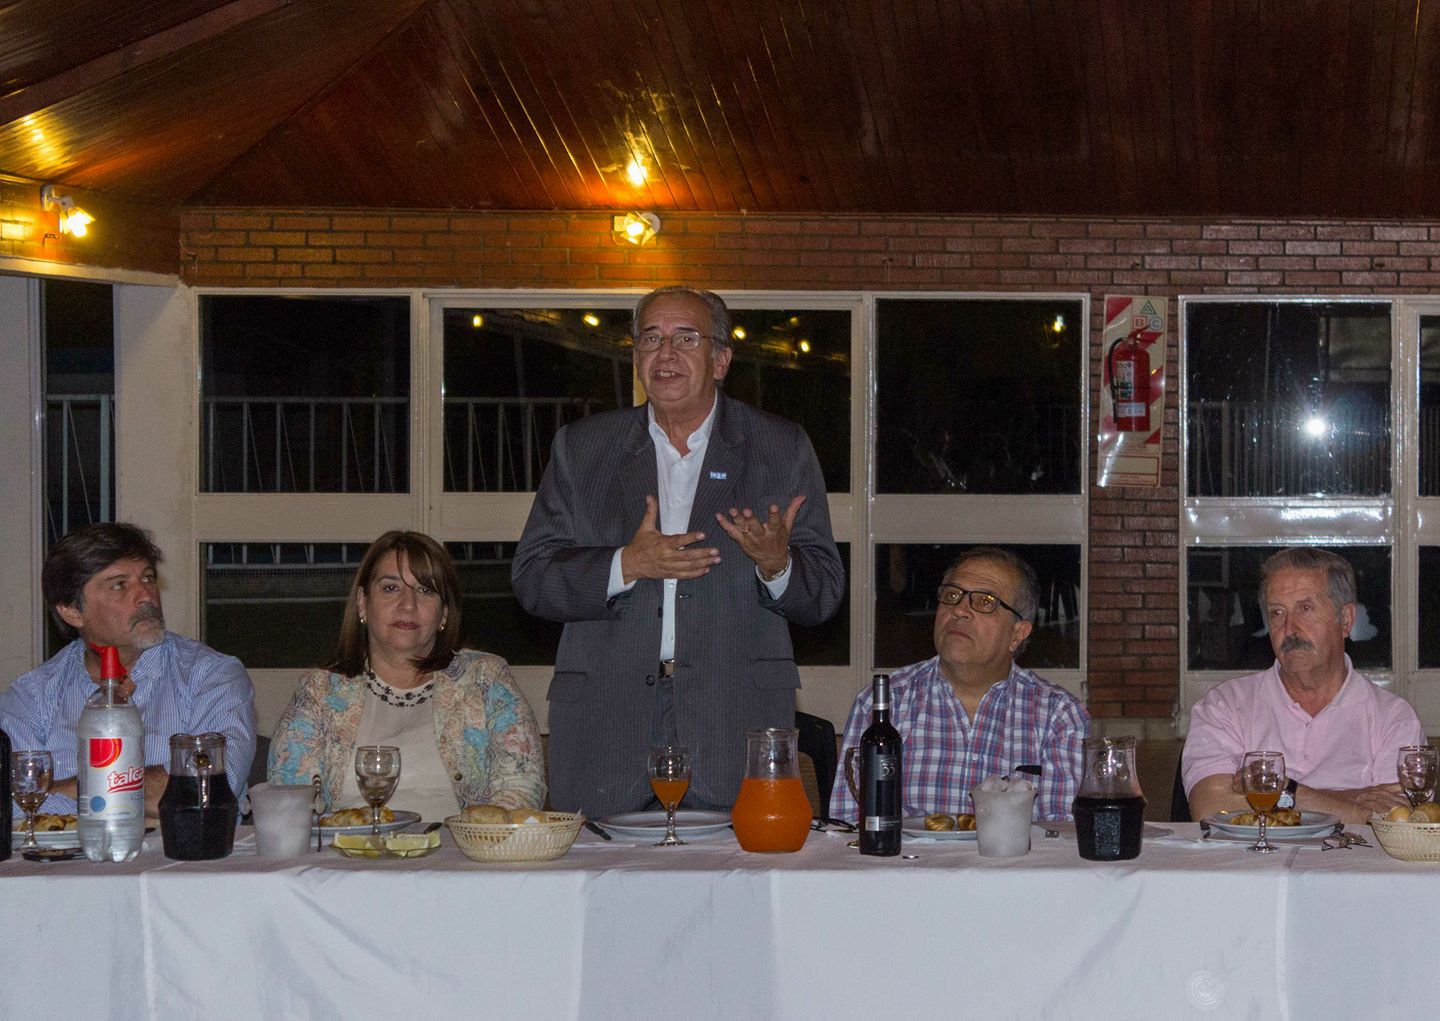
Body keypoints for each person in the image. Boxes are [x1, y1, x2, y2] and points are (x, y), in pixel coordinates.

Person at [512, 285, 845, 818]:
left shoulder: (779, 446)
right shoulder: (582, 447)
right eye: (651, 338)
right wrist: (627, 564)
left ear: (720, 360)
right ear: (637, 357)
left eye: (685, 338)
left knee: (736, 893)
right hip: (607, 719)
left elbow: (823, 593)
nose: (665, 354)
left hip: (734, 716)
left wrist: (776, 565)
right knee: (600, 895)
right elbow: (532, 578)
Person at [270, 530, 545, 820]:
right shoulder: (318, 692)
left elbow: (522, 787)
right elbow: (289, 803)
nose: (408, 604)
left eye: (425, 590)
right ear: (363, 603)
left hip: (461, 859)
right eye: (391, 588)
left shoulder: (486, 679)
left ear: (444, 614)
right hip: (348, 860)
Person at [0, 522, 256, 817]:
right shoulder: (34, 695)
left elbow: (209, 791)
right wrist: (150, 791)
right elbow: (15, 810)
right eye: (119, 584)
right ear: (71, 610)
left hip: (182, 859)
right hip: (68, 862)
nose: (146, 596)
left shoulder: (211, 675)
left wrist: (69, 789)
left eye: (148, 578)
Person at [829, 547, 1089, 823]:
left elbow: (1063, 837)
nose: (960, 610)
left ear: (1017, 633)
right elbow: (849, 826)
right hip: (907, 865)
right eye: (952, 596)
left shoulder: (1057, 715)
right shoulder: (884, 703)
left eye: (985, 601)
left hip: (1010, 865)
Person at [1183, 547, 1424, 824]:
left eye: (1305, 609)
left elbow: (1399, 821)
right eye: (1276, 612)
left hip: (1350, 866)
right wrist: (1356, 801)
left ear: (1345, 620)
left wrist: (1287, 791)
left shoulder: (1393, 718)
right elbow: (1211, 810)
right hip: (1254, 865)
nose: (1289, 628)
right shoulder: (1225, 706)